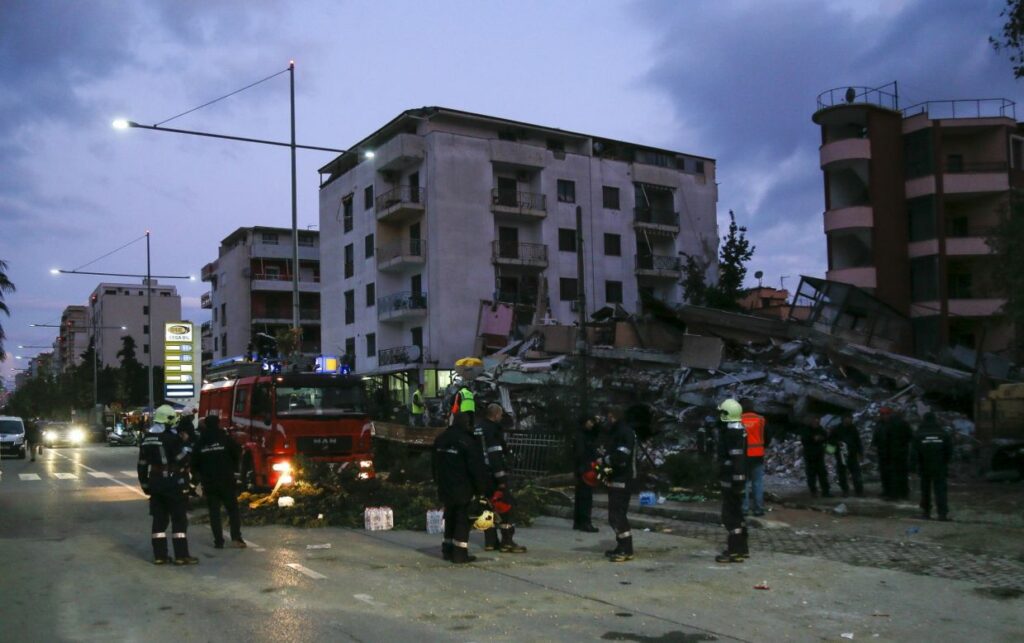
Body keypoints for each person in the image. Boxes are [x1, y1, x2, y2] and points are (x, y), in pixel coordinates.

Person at [137, 404, 197, 565]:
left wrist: (145, 485)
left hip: (155, 483)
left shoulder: (146, 439)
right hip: (173, 483)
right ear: (168, 421)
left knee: (159, 520)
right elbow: (182, 458)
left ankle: (160, 556)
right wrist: (186, 445)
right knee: (179, 519)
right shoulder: (172, 438)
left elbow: (142, 465)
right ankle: (181, 555)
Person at [432, 412, 490, 564]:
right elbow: (476, 468)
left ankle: (447, 549)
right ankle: (460, 553)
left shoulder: (441, 439)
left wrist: (437, 482)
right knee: (462, 520)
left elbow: (434, 465)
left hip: (445, 486)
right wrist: (481, 490)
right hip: (462, 486)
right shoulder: (467, 441)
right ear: (467, 424)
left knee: (450, 515)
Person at [474, 403, 527, 553]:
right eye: (501, 415)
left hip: (480, 477)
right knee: (506, 507)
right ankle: (507, 541)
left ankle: (490, 542)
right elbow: (495, 455)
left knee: (486, 508)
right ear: (496, 415)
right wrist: (502, 480)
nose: (501, 417)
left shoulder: (477, 429)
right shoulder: (493, 430)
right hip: (493, 476)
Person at [192, 415, 246, 549]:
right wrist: (233, 469)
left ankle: (218, 541)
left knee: (214, 512)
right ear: (218, 424)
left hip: (209, 483)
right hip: (226, 480)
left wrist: (200, 477)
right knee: (232, 510)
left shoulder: (200, 442)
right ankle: (236, 538)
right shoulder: (225, 439)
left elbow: (194, 463)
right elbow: (238, 452)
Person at [602, 405, 637, 563]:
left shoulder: (624, 432)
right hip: (616, 479)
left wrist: (605, 460)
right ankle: (621, 545)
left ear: (613, 415)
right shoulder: (617, 431)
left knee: (617, 515)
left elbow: (621, 457)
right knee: (614, 515)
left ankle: (626, 549)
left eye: (608, 415)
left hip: (622, 479)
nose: (607, 418)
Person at [716, 398, 748, 563]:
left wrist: (736, 482)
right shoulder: (739, 429)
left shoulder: (731, 433)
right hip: (735, 480)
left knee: (730, 516)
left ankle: (734, 550)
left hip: (731, 480)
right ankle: (742, 548)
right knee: (738, 513)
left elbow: (736, 459)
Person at [914, 412, 952, 521]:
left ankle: (926, 512)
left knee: (925, 490)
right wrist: (945, 462)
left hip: (924, 466)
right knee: (940, 490)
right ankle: (942, 514)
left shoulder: (919, 433)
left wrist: (914, 466)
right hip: (940, 466)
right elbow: (949, 450)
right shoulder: (943, 433)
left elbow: (914, 452)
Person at [573, 415, 601, 532]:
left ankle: (579, 522)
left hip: (582, 468)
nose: (592, 424)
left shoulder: (585, 434)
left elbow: (597, 431)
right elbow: (581, 453)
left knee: (581, 496)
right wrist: (589, 464)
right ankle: (585, 522)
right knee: (585, 497)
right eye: (590, 421)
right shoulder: (582, 436)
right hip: (585, 469)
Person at [739, 399, 767, 517]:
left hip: (742, 456)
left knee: (744, 483)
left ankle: (744, 509)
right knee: (758, 483)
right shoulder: (761, 419)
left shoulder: (738, 420)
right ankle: (758, 509)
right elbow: (767, 436)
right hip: (758, 455)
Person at [829, 414, 864, 497]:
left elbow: (858, 441)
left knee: (856, 473)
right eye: (847, 418)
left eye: (850, 418)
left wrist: (860, 453)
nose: (849, 420)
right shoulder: (836, 429)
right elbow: (830, 441)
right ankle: (845, 490)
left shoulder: (853, 428)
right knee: (842, 474)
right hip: (840, 455)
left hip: (852, 454)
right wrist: (837, 444)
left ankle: (859, 491)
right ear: (843, 419)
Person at [883, 409, 913, 500]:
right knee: (903, 473)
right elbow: (910, 437)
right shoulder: (905, 424)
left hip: (892, 452)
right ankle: (904, 493)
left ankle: (894, 494)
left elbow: (886, 439)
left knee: (893, 474)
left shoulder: (889, 425)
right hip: (903, 452)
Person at [801, 417, 831, 497]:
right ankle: (813, 492)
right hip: (809, 456)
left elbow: (826, 437)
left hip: (819, 455)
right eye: (814, 421)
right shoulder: (806, 430)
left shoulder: (820, 429)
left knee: (822, 474)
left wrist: (820, 438)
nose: (815, 422)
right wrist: (813, 438)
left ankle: (826, 492)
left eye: (817, 421)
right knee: (811, 475)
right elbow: (805, 440)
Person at [873, 409, 892, 498]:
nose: (884, 416)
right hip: (882, 452)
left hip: (892, 453)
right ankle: (886, 491)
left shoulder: (893, 425)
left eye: (886, 414)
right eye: (883, 414)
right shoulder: (879, 425)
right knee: (884, 473)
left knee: (891, 474)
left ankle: (891, 492)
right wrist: (873, 445)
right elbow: (876, 436)